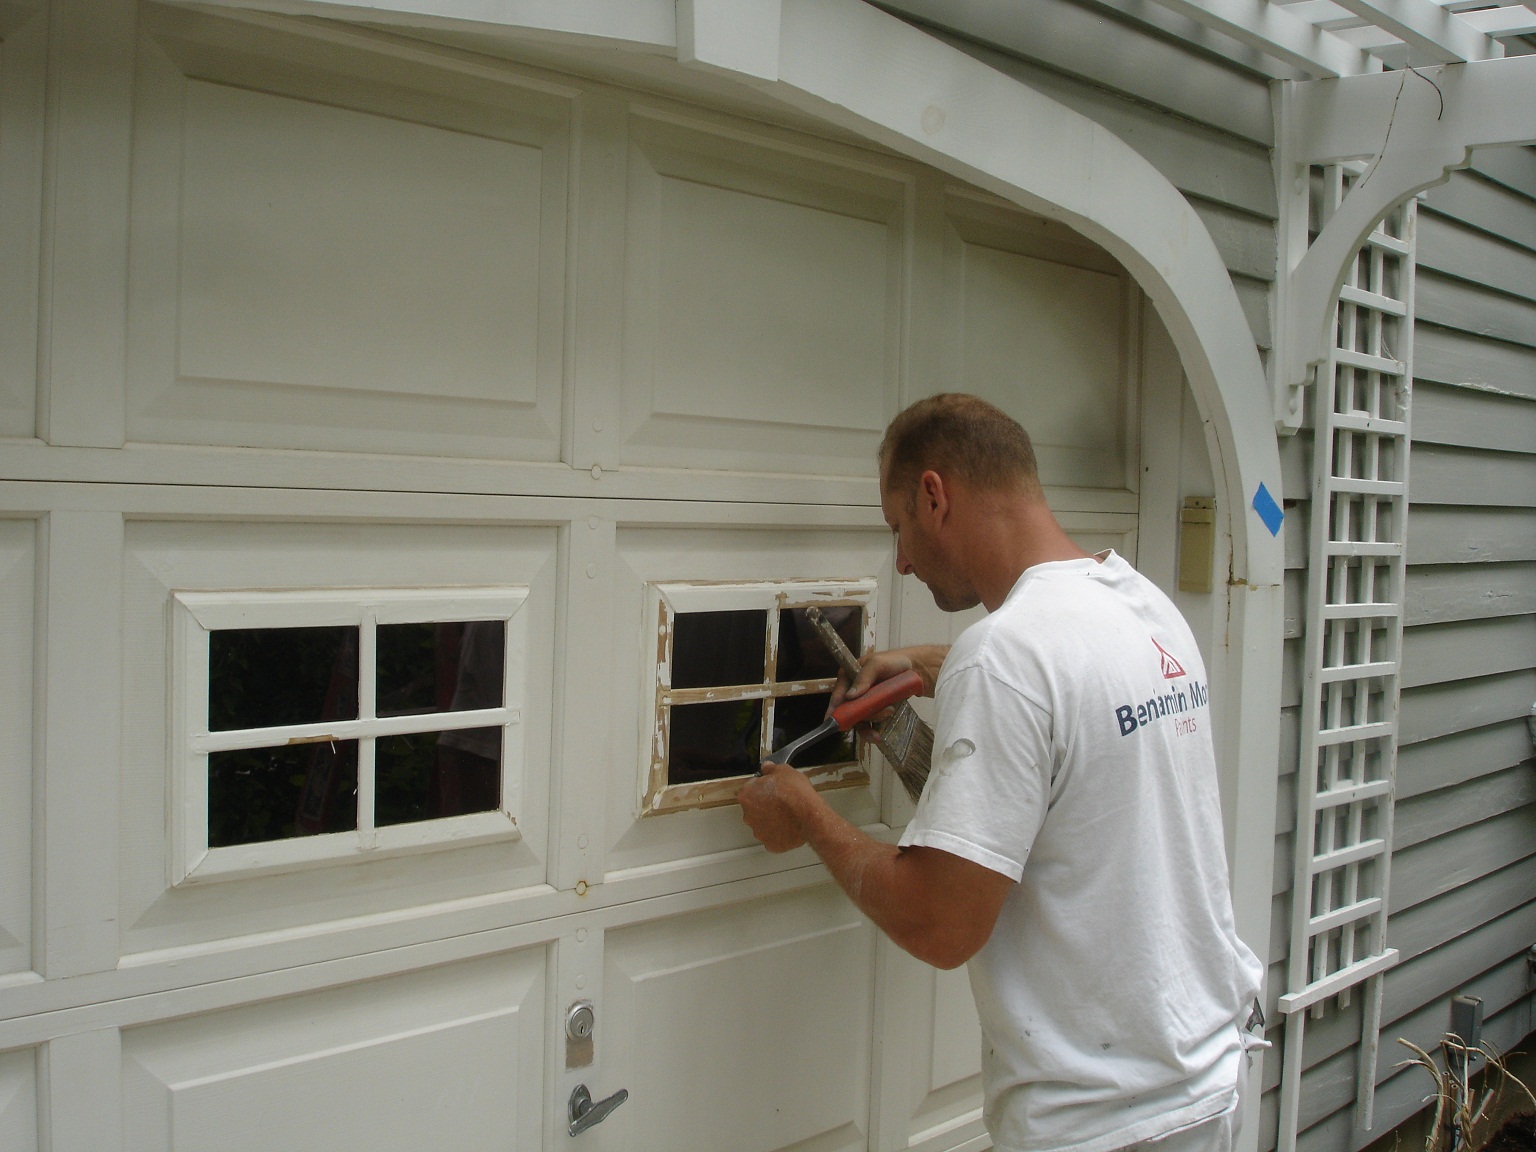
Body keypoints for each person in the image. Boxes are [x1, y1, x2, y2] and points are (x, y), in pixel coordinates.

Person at [737, 394, 1263, 1152]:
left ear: (934, 494)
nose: (902, 561)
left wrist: (807, 817)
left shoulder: (1007, 654)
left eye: (898, 529)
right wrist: (922, 666)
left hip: (1101, 1123)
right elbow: (1065, 702)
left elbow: (940, 923)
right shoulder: (1138, 603)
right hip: (1200, 1084)